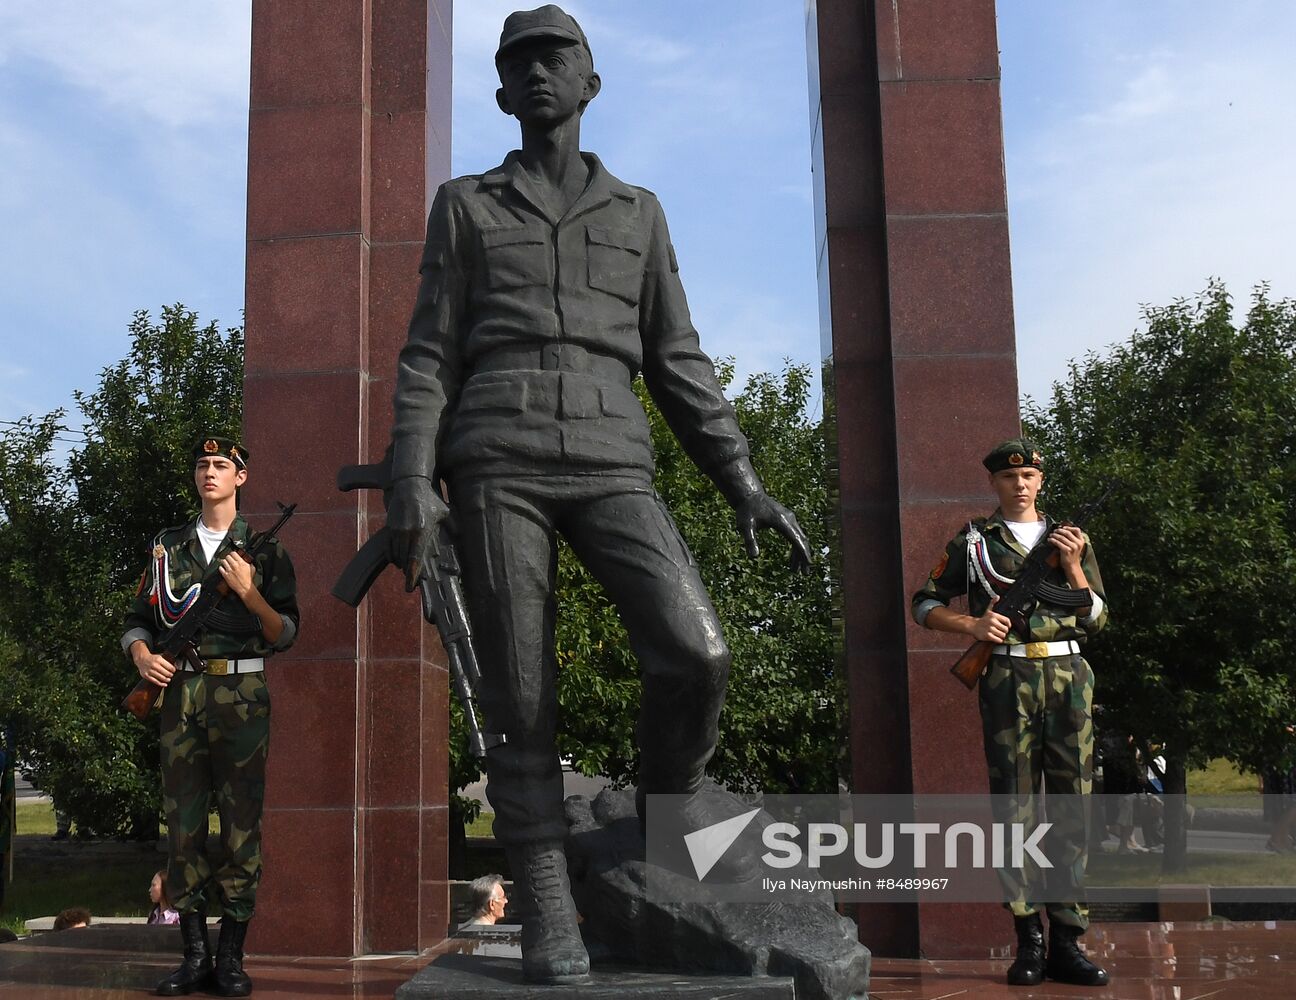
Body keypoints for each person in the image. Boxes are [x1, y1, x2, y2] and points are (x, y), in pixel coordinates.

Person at [383, 5, 810, 984]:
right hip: (498, 460)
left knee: (697, 649)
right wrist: (413, 474)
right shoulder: (465, 203)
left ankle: (670, 807)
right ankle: (543, 901)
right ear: (501, 92)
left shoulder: (639, 211)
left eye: (557, 56)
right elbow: (427, 355)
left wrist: (742, 480)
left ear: (590, 83)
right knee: (520, 693)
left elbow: (679, 361)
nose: (539, 73)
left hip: (614, 461)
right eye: (520, 61)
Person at [911, 438, 1109, 987]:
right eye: (1008, 478)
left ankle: (1068, 940)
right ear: (994, 484)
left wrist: (1072, 568)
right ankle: (1029, 939)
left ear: (1040, 481)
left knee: (1073, 808)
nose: (1019, 485)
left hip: (1069, 678)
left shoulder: (1070, 540)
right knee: (1014, 808)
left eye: (1028, 477)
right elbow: (924, 602)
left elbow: (1095, 617)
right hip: (1007, 678)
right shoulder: (974, 543)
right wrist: (971, 628)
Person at [121, 437, 298, 998]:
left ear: (241, 478)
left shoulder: (263, 552)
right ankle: (194, 955)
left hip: (241, 692)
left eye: (223, 465)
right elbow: (136, 619)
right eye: (202, 465)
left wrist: (251, 595)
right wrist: (143, 656)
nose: (210, 473)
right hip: (178, 695)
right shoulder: (167, 547)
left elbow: (286, 632)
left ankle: (231, 958)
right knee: (183, 827)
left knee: (242, 827)